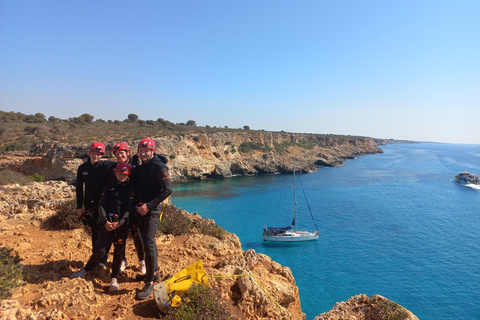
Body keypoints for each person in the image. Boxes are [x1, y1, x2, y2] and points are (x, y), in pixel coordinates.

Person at [71, 162, 135, 292]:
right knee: (100, 250)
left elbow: (129, 209)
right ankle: (86, 269)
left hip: (121, 226)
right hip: (106, 224)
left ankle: (114, 278)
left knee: (118, 252)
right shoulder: (108, 187)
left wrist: (120, 223)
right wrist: (105, 221)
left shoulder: (130, 189)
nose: (121, 176)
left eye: (124, 174)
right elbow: (101, 205)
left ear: (128, 175)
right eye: (118, 173)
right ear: (115, 173)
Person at [133, 138, 172, 300]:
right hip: (141, 209)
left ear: (152, 151)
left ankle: (149, 282)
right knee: (145, 240)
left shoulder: (159, 167)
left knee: (148, 241)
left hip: (153, 209)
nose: (143, 153)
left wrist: (148, 206)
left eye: (146, 151)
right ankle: (154, 273)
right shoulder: (143, 166)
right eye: (141, 150)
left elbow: (167, 190)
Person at [112, 142, 146, 275]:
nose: (120, 156)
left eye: (122, 153)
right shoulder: (115, 168)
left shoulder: (136, 166)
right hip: (120, 207)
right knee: (121, 235)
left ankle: (142, 261)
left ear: (127, 153)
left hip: (135, 206)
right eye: (117, 154)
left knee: (137, 235)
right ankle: (122, 260)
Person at [76, 142, 112, 258]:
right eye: (93, 153)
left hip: (104, 205)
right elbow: (79, 189)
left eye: (98, 154)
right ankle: (95, 257)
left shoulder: (106, 166)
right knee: (94, 231)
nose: (96, 156)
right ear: (89, 153)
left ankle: (103, 257)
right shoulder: (82, 168)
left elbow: (124, 165)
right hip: (89, 206)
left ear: (101, 155)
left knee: (104, 231)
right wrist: (79, 207)